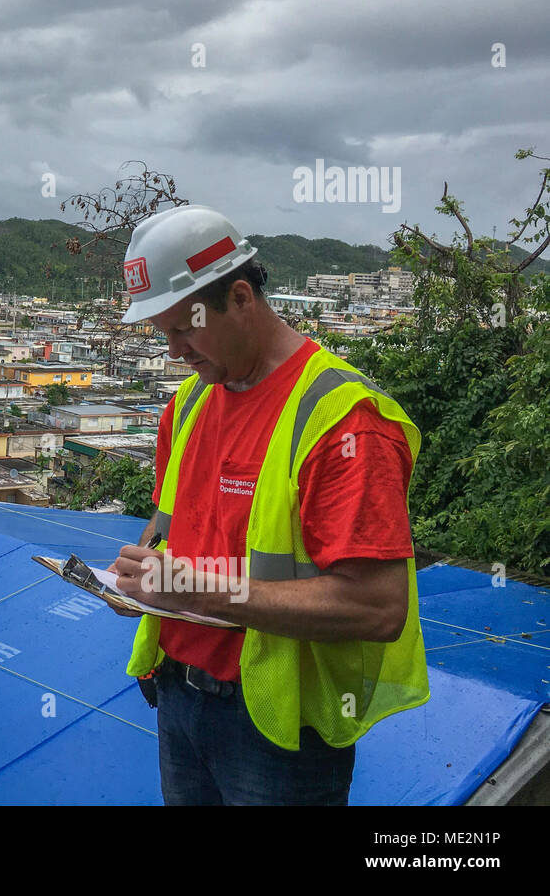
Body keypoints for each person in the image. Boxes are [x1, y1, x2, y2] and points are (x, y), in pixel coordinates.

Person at [107, 204, 428, 806]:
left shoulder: (344, 422)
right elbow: (169, 523)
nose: (175, 352)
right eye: (164, 335)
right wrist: (139, 575)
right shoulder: (190, 405)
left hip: (277, 734)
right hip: (176, 694)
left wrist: (187, 590)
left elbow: (377, 608)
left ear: (240, 297)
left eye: (185, 329)